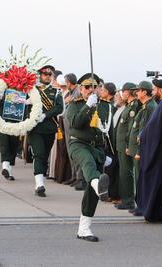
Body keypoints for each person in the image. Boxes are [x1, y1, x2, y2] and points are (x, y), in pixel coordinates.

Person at [67, 73, 112, 242]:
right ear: (80, 89)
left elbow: (109, 131)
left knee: (92, 193)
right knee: (87, 164)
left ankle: (84, 228)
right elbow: (75, 123)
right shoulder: (75, 104)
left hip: (98, 148)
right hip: (79, 144)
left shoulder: (105, 106)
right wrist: (87, 106)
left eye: (95, 87)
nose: (91, 90)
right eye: (87, 87)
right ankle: (97, 183)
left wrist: (110, 154)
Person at [135, 78, 162, 222]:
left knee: (158, 183)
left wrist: (144, 136)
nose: (152, 92)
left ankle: (156, 213)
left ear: (160, 90)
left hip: (158, 152)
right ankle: (150, 210)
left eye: (154, 89)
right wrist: (143, 134)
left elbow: (156, 130)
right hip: (156, 150)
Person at [27, 65, 63, 197]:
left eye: (49, 75)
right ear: (40, 76)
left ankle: (40, 179)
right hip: (35, 128)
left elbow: (59, 108)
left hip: (49, 128)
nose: (47, 77)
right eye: (44, 74)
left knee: (45, 155)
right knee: (39, 153)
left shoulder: (56, 91)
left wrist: (45, 115)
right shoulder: (32, 90)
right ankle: (39, 184)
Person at [128, 81, 156, 215]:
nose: (136, 93)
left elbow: (145, 131)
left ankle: (142, 205)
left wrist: (139, 151)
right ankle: (139, 204)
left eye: (138, 91)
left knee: (141, 179)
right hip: (137, 149)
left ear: (145, 92)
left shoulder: (150, 107)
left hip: (142, 150)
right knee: (137, 178)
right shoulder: (145, 106)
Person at [114, 82, 141, 210]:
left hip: (126, 144)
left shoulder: (133, 106)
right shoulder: (128, 106)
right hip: (121, 144)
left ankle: (129, 200)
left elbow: (131, 128)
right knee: (124, 173)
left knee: (127, 173)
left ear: (127, 92)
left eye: (123, 91)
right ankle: (126, 199)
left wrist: (126, 144)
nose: (122, 94)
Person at [62, 73, 82, 186]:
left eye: (66, 83)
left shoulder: (77, 92)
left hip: (73, 127)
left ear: (69, 83)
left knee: (75, 152)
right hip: (68, 127)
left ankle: (79, 178)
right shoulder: (71, 92)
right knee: (71, 153)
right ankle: (74, 176)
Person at [101, 82, 119, 201]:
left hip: (112, 142)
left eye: (102, 90)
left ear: (107, 92)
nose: (101, 92)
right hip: (108, 141)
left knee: (112, 169)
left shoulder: (111, 105)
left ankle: (113, 194)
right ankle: (109, 193)